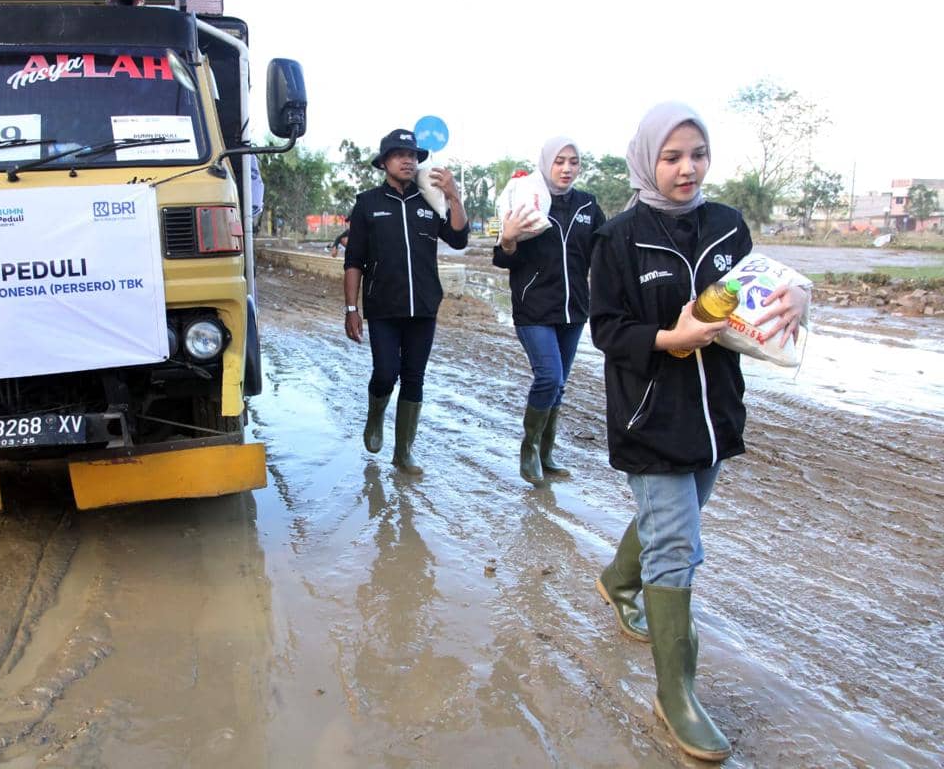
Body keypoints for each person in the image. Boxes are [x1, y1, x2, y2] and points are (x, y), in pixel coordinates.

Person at [588, 102, 809, 762]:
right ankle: (675, 693)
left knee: (672, 523)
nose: (687, 168)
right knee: (678, 542)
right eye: (672, 156)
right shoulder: (620, 237)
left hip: (714, 414)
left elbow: (756, 295)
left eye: (698, 154)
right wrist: (670, 337)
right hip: (648, 413)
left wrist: (798, 295)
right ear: (647, 160)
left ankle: (618, 579)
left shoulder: (726, 225)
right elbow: (606, 328)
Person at [343, 128, 469, 474]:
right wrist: (351, 309)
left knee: (414, 376)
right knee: (386, 373)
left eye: (412, 155)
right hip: (383, 307)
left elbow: (458, 238)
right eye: (399, 155)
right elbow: (353, 260)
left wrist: (453, 196)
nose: (408, 160)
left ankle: (403, 452)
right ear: (384, 162)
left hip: (424, 306)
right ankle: (375, 416)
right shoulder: (368, 203)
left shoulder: (429, 200)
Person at [493, 138, 605, 486]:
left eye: (573, 161)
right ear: (546, 164)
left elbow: (605, 250)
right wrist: (508, 237)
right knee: (549, 377)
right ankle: (529, 450)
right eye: (559, 161)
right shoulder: (528, 199)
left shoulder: (588, 205)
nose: (567, 168)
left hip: (574, 311)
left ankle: (546, 452)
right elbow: (502, 258)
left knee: (559, 385)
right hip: (534, 309)